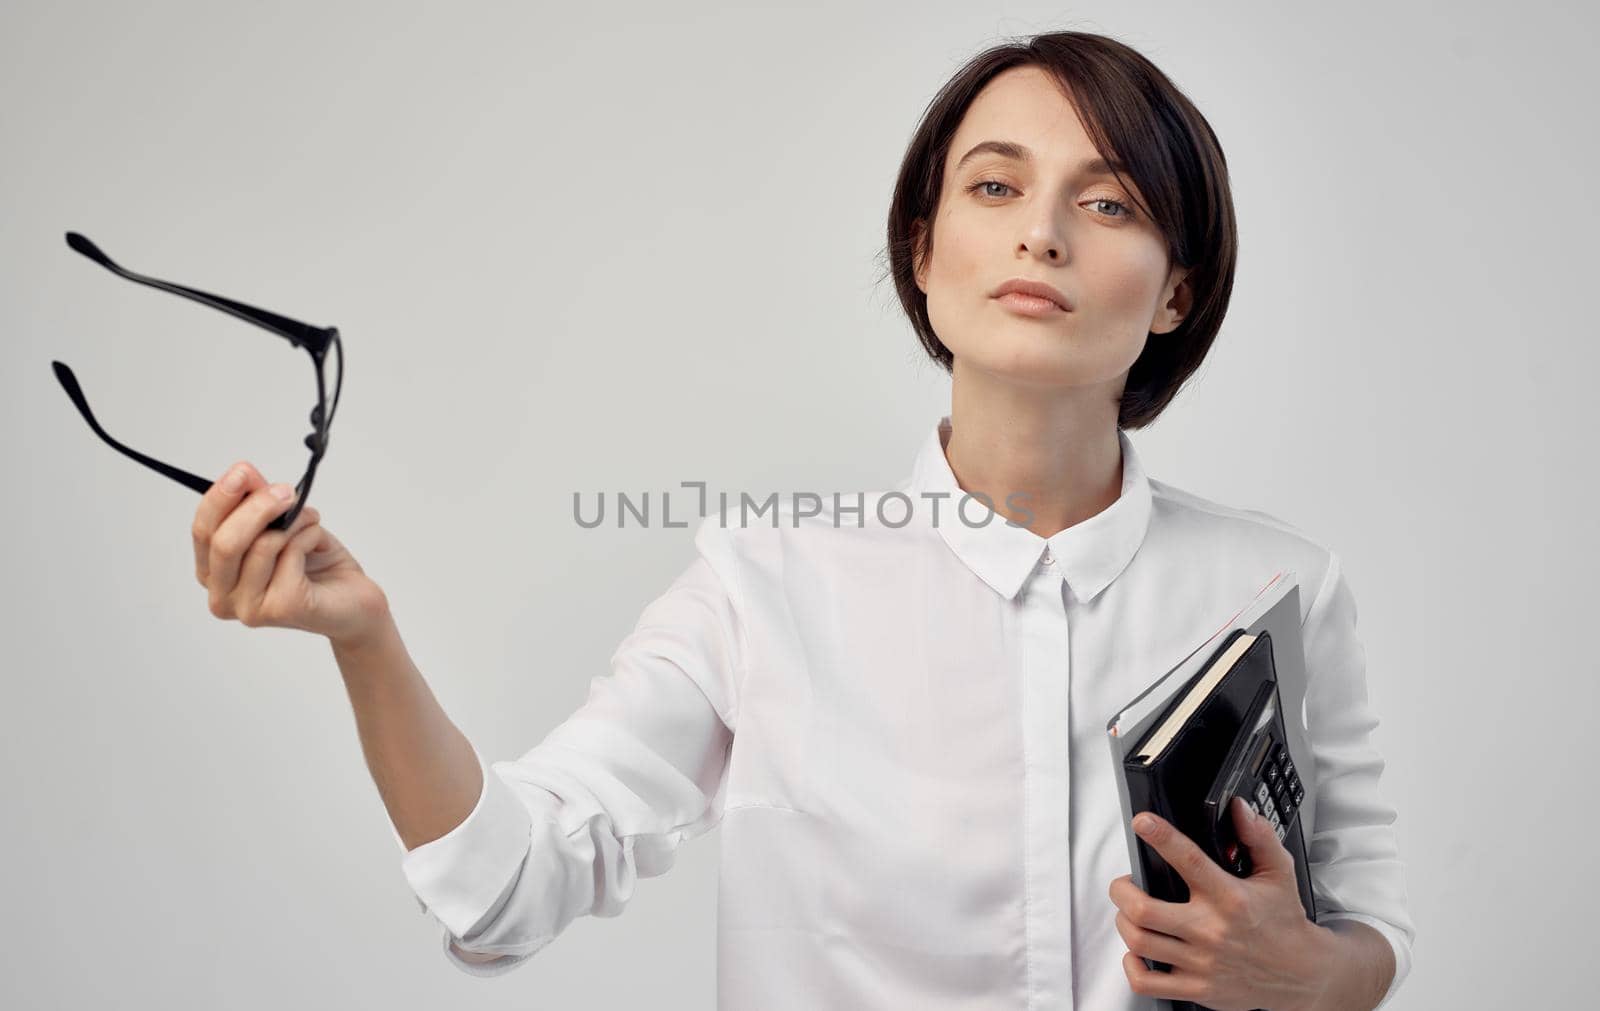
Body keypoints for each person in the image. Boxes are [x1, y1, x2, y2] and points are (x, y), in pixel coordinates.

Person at [191, 30, 1414, 1011]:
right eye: (996, 187)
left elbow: (1368, 926)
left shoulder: (1278, 587)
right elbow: (509, 884)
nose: (1040, 230)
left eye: (1108, 205)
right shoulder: (760, 583)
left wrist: (1314, 979)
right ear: (924, 255)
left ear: (1175, 292)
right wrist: (367, 640)